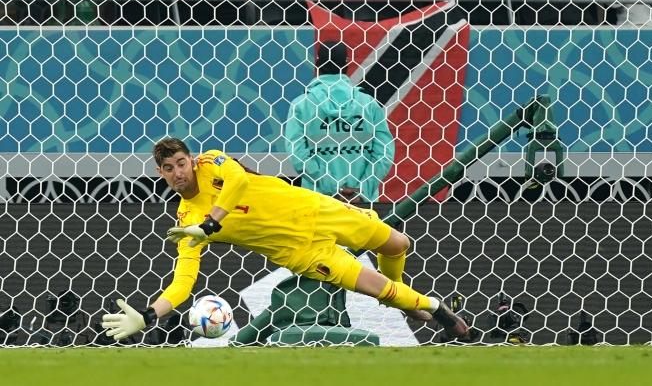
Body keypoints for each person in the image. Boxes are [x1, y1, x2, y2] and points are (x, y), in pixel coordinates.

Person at [99, 136, 470, 342]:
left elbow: (239, 181)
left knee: (399, 244)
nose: (178, 172)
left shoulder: (212, 162)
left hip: (314, 209)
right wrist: (148, 315)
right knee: (376, 286)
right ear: (160, 173)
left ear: (191, 160)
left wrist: (211, 224)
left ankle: (403, 301)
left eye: (181, 163)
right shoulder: (186, 221)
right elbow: (184, 280)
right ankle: (437, 310)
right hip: (302, 252)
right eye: (168, 168)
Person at [286, 42, 394, 205]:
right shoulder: (368, 104)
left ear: (317, 65)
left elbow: (298, 155)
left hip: (318, 202)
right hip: (363, 205)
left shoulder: (301, 105)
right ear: (347, 66)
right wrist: (361, 191)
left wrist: (333, 190)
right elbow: (384, 153)